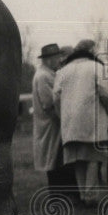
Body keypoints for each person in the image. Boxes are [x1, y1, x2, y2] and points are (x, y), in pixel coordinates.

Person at [52, 39, 108, 207]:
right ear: (91, 51)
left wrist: (63, 116)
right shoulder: (96, 67)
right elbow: (107, 94)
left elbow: (56, 97)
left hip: (70, 124)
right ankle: (91, 196)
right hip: (92, 120)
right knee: (94, 158)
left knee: (78, 159)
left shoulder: (63, 71)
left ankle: (83, 194)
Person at [32, 43, 67, 189]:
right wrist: (63, 118)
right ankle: (56, 194)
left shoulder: (48, 74)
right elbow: (48, 103)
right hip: (50, 124)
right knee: (52, 159)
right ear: (48, 60)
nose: (59, 61)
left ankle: (59, 192)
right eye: (57, 57)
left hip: (51, 124)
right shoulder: (43, 76)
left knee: (55, 159)